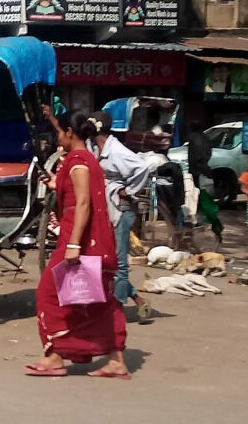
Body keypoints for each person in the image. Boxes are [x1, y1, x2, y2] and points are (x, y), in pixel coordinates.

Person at [25, 106, 129, 379]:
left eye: (61, 132)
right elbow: (73, 192)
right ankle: (116, 360)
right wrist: (54, 184)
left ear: (70, 133)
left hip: (80, 242)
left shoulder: (80, 162)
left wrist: (73, 245)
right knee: (100, 303)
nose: (57, 137)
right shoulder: (83, 158)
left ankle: (55, 356)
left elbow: (82, 204)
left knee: (48, 294)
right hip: (91, 242)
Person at [86, 111, 152, 324]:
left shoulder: (116, 150)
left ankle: (114, 311)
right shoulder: (95, 147)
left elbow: (142, 168)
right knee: (107, 260)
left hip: (120, 209)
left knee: (119, 264)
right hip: (106, 208)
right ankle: (138, 300)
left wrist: (128, 190)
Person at [187, 121, 213, 188]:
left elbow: (194, 151)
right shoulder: (204, 137)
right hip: (202, 163)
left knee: (196, 183)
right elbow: (209, 150)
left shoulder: (193, 136)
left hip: (196, 164)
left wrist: (197, 161)